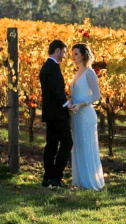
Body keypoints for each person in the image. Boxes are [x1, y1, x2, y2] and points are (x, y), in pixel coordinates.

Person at [66, 43, 105, 190]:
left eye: (76, 54)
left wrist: (81, 104)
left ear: (83, 55)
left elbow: (96, 95)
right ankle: (80, 181)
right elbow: (74, 95)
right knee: (78, 146)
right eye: (72, 54)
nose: (73, 57)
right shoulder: (76, 73)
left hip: (86, 114)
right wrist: (70, 102)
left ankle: (90, 182)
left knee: (87, 145)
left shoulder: (89, 72)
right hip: (75, 114)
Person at [39, 40, 72, 188]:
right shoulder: (52, 67)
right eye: (64, 52)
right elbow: (55, 89)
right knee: (67, 142)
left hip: (50, 113)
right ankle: (56, 177)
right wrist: (66, 104)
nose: (64, 56)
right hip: (58, 113)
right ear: (58, 51)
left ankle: (48, 177)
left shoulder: (46, 66)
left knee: (51, 144)